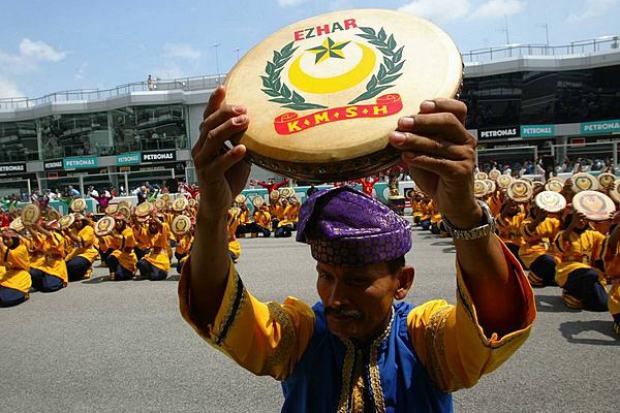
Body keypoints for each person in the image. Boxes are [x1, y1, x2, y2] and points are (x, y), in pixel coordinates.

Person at [179, 87, 535, 411]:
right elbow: (217, 308)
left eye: (357, 281)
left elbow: (495, 320)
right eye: (325, 276)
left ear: (403, 282)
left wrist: (463, 213)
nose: (334, 297)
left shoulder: (424, 338)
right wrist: (212, 211)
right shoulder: (302, 335)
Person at [0, 228, 31, 306]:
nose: (5, 241)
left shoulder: (21, 249)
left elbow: (11, 254)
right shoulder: (8, 249)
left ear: (15, 238)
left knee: (5, 300)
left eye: (7, 239)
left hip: (21, 276)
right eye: (4, 239)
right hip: (9, 274)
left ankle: (24, 295)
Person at [64, 214, 98, 281]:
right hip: (74, 253)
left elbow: (81, 242)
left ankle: (86, 269)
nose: (77, 223)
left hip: (87, 253)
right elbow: (68, 244)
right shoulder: (73, 230)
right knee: (63, 266)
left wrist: (69, 234)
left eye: (79, 221)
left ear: (83, 221)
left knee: (73, 265)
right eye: (75, 221)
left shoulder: (89, 229)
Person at [106, 214, 137, 281]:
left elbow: (123, 239)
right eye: (116, 221)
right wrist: (99, 234)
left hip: (128, 256)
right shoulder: (114, 231)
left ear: (123, 222)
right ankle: (113, 272)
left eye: (120, 221)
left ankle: (131, 271)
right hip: (119, 254)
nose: (118, 223)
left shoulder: (129, 230)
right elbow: (106, 242)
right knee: (110, 257)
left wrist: (113, 235)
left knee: (120, 276)